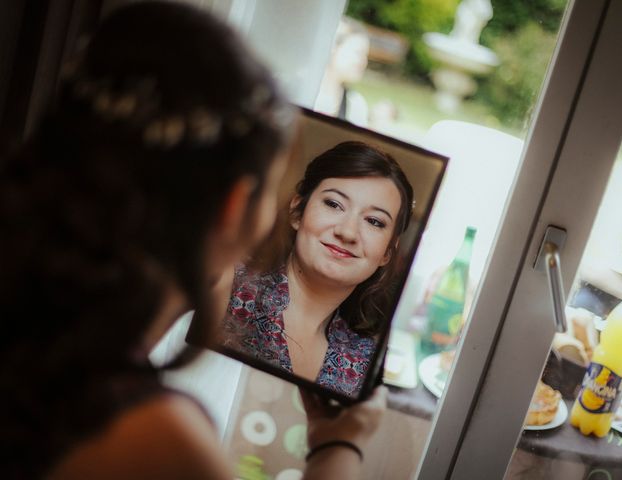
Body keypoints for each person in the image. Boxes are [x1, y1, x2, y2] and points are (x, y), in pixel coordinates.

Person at [0, 2, 386, 479]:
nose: (347, 231)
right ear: (233, 209)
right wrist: (339, 444)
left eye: (375, 221)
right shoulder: (150, 441)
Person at [220, 141, 414, 396]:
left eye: (374, 221)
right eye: (333, 204)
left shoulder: (363, 361)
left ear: (387, 252)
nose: (347, 232)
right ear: (297, 212)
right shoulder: (225, 284)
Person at [314, 18, 370, 126]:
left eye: (365, 55)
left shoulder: (355, 104)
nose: (364, 61)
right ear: (333, 47)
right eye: (358, 53)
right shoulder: (301, 90)